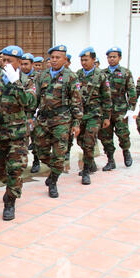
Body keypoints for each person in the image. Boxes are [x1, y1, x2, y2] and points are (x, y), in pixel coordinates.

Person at [0, 45, 36, 220]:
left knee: (15, 169)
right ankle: (11, 185)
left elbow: (30, 102)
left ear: (19, 62)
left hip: (17, 136)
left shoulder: (27, 81)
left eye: (9, 61)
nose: (5, 64)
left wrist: (15, 83)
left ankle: (10, 200)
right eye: (3, 60)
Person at [33, 45, 83, 198]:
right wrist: (30, 116)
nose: (54, 60)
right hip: (43, 119)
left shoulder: (71, 77)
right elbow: (35, 98)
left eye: (57, 57)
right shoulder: (42, 76)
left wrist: (76, 123)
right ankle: (55, 168)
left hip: (62, 121)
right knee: (40, 152)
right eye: (52, 57)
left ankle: (53, 181)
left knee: (60, 155)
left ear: (65, 60)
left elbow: (77, 101)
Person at [75, 47, 112, 185]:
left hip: (94, 114)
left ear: (93, 59)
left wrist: (107, 116)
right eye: (82, 60)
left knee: (89, 141)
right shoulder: (77, 75)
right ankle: (90, 163)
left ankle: (86, 172)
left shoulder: (101, 75)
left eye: (86, 60)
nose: (83, 62)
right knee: (81, 141)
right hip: (80, 114)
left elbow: (106, 97)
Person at [98, 46, 137, 170]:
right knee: (105, 136)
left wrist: (131, 109)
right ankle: (110, 160)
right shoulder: (102, 73)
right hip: (106, 111)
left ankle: (126, 151)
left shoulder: (125, 72)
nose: (111, 59)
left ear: (119, 58)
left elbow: (131, 91)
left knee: (123, 133)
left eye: (114, 57)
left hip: (120, 110)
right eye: (109, 57)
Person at [21, 52, 40, 173]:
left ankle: (36, 161)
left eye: (26, 64)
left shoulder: (39, 76)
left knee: (36, 139)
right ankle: (22, 164)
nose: (24, 66)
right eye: (22, 64)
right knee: (23, 141)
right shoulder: (18, 76)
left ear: (32, 64)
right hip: (23, 114)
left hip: (35, 113)